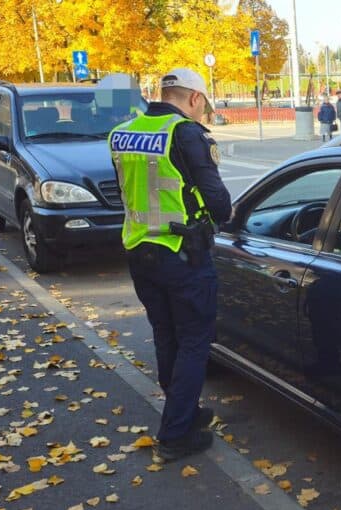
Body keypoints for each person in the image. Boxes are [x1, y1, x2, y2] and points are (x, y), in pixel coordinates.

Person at [109, 68, 232, 462]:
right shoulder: (186, 133)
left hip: (138, 251)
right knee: (195, 342)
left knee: (167, 336)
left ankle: (185, 411)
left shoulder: (122, 132)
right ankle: (176, 434)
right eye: (204, 105)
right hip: (183, 254)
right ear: (194, 98)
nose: (202, 113)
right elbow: (220, 206)